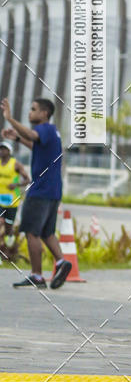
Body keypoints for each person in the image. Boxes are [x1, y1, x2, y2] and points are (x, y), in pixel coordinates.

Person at [1, 97, 72, 289]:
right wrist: (16, 138)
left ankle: (37, 276)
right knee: (47, 232)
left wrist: (10, 119)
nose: (30, 113)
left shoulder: (43, 128)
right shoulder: (52, 132)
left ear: (44, 113)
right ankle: (61, 262)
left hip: (40, 191)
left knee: (32, 232)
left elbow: (32, 136)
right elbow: (36, 145)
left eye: (33, 109)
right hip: (54, 191)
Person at [0, 140, 30, 248]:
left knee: (8, 227)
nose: (2, 151)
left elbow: (27, 179)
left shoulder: (15, 164)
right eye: (1, 149)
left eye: (4, 149)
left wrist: (16, 185)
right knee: (0, 222)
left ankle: (10, 235)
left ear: (10, 151)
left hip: (12, 201)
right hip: (0, 199)